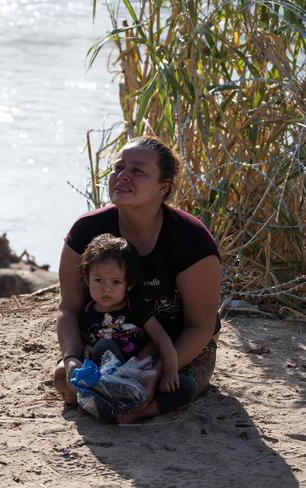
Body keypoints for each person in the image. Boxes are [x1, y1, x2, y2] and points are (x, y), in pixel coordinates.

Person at [53, 136, 221, 423]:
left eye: (137, 171)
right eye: (118, 168)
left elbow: (201, 326)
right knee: (63, 381)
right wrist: (72, 358)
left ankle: (136, 406)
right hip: (106, 342)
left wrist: (155, 371)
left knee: (164, 389)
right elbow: (68, 309)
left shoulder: (191, 239)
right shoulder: (86, 230)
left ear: (163, 186)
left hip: (174, 349)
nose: (122, 176)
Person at [78, 233, 179, 394]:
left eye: (116, 282)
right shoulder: (86, 312)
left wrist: (170, 372)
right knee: (103, 345)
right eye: (98, 280)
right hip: (103, 377)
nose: (107, 288)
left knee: (185, 387)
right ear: (86, 278)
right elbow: (83, 343)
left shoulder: (136, 307)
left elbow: (161, 339)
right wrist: (86, 350)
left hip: (137, 373)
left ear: (129, 284)